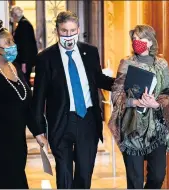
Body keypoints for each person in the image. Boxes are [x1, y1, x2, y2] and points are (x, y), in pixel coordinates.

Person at [32, 11, 115, 189]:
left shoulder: (90, 52)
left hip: (88, 121)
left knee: (84, 176)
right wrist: (38, 131)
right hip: (61, 122)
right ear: (57, 31)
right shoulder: (45, 58)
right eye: (64, 31)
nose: (69, 35)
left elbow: (99, 79)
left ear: (78, 29)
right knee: (64, 177)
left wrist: (122, 84)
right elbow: (38, 97)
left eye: (72, 30)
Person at [0, 13, 47, 188]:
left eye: (12, 41)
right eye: (7, 43)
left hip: (16, 144)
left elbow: (25, 104)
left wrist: (38, 133)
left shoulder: (15, 68)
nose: (13, 46)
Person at [108, 25, 169, 189]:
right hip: (132, 129)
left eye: (141, 39)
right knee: (135, 181)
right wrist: (136, 102)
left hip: (157, 129)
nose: (136, 42)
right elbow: (116, 94)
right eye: (134, 39)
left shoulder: (162, 64)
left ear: (151, 42)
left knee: (158, 176)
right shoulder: (126, 63)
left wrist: (156, 103)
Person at [10, 6, 38, 86]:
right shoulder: (23, 24)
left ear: (15, 15)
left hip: (25, 61)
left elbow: (25, 46)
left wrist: (24, 63)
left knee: (24, 81)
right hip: (25, 60)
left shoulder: (24, 25)